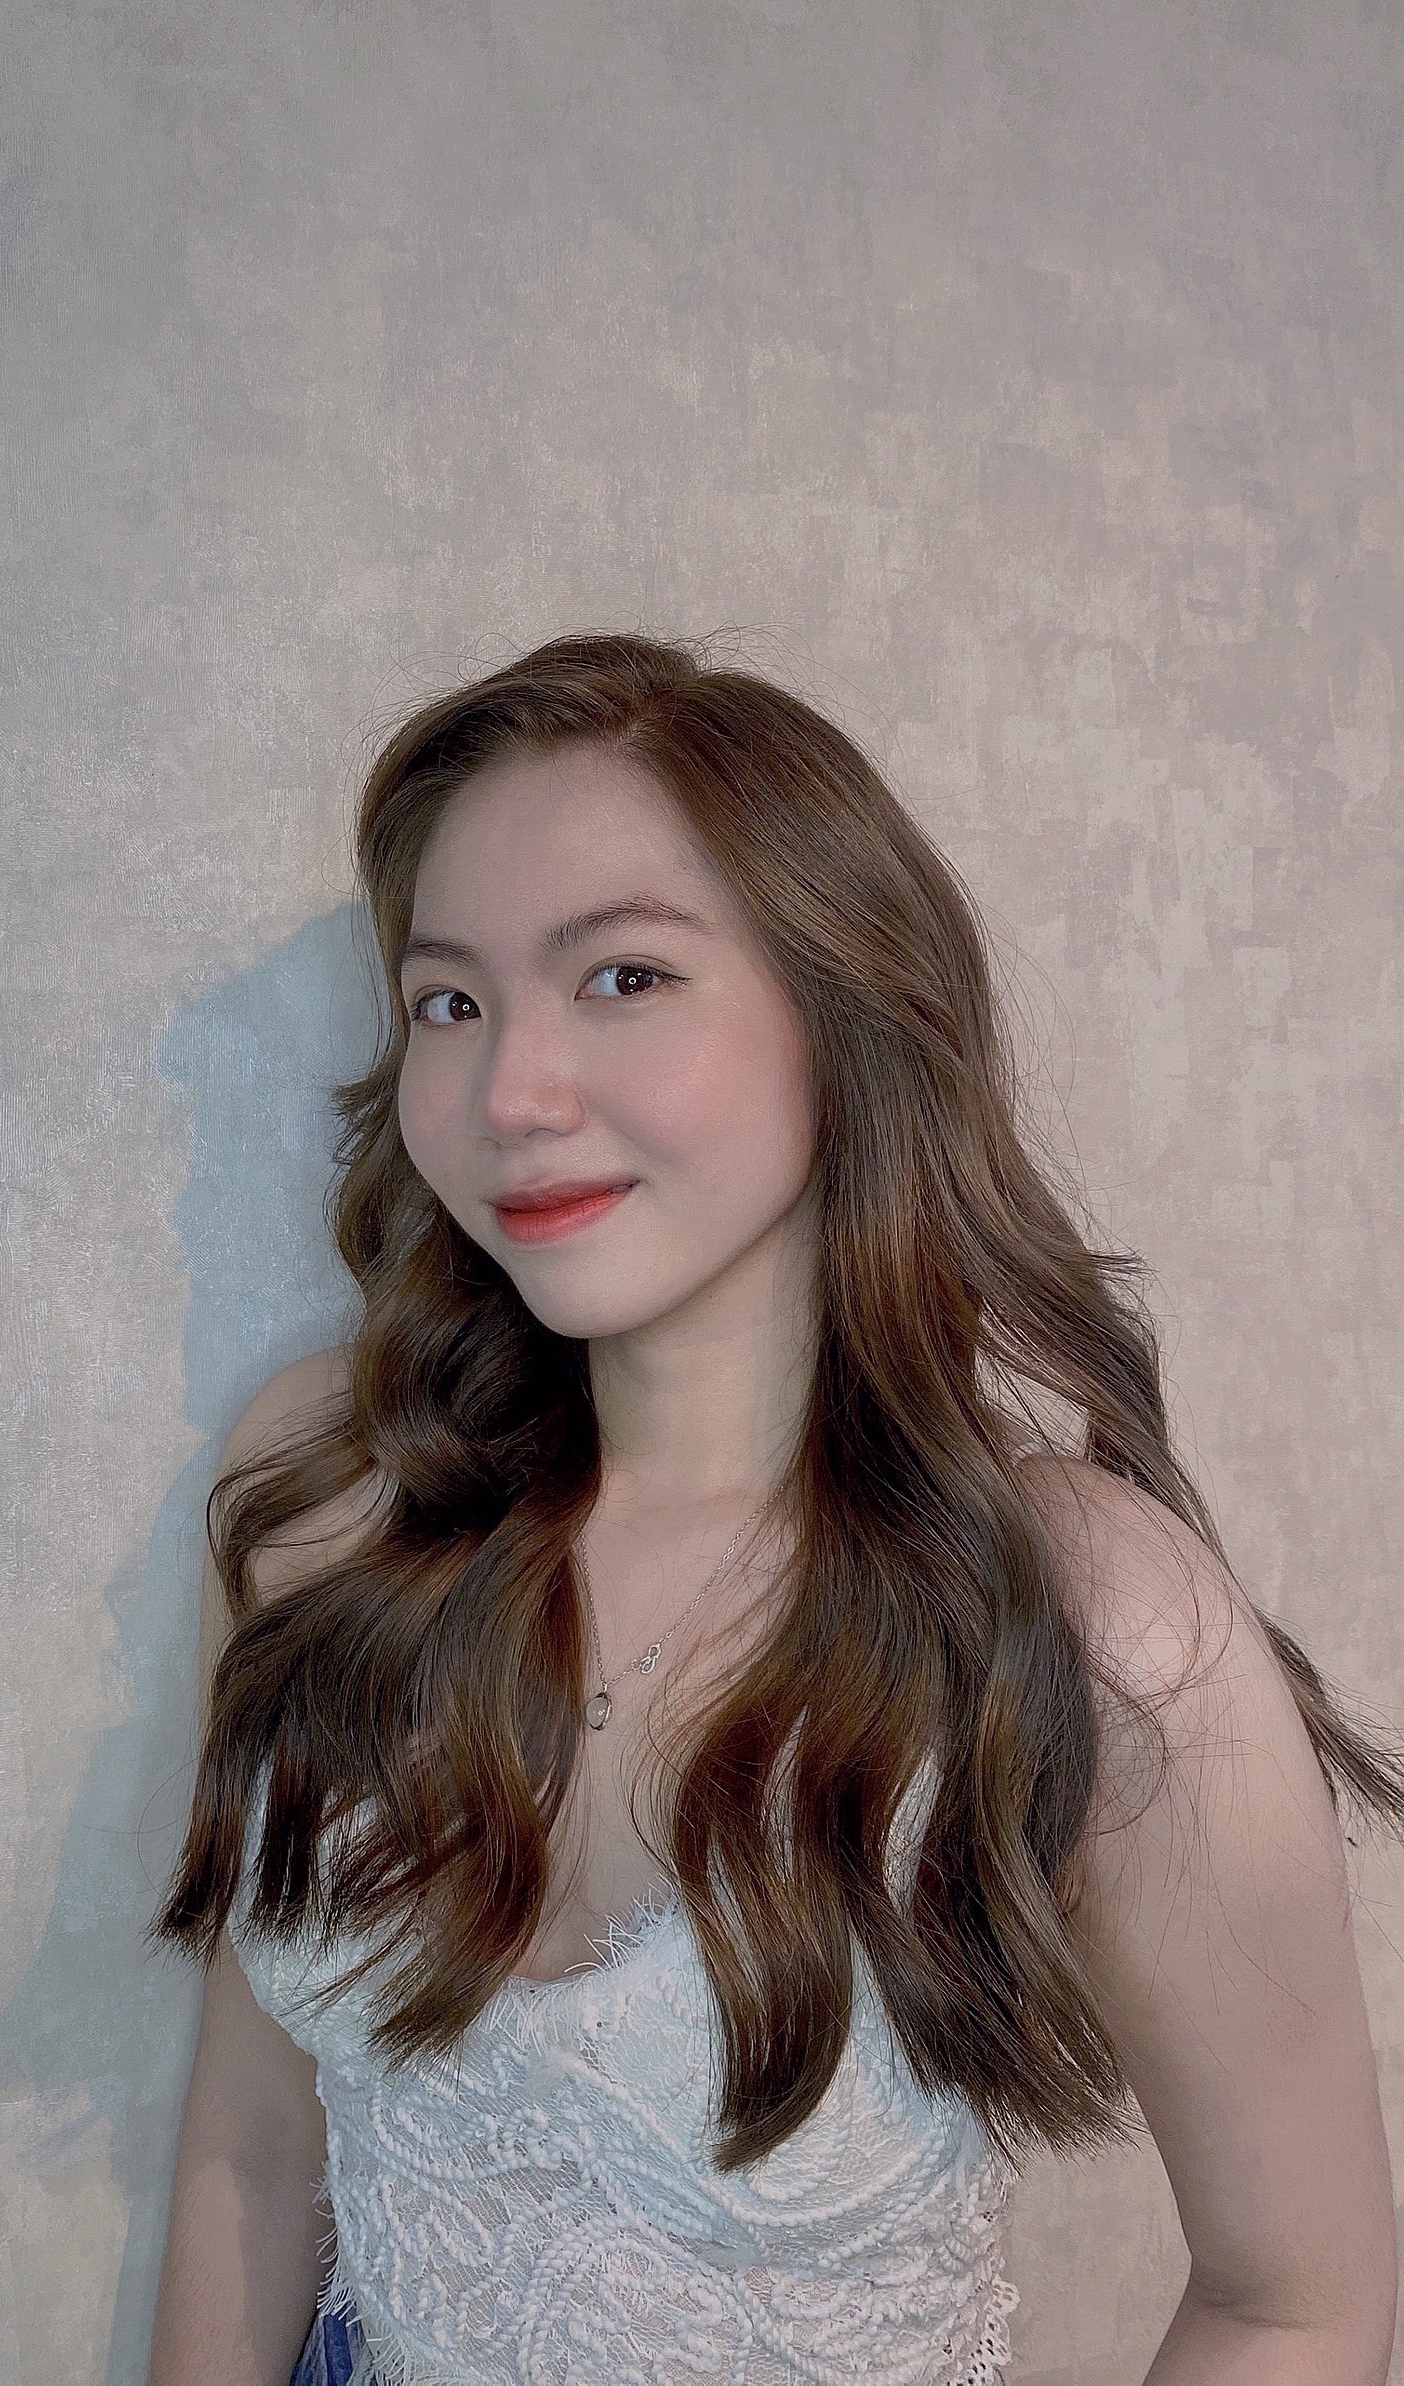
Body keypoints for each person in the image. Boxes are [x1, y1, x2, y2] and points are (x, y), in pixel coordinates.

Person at [145, 632, 1402, 2386]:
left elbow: (1301, 2298)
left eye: (624, 977)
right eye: (450, 1002)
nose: (511, 1094)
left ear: (845, 1012)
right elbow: (256, 2144)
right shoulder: (330, 1503)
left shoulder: (1088, 1616)